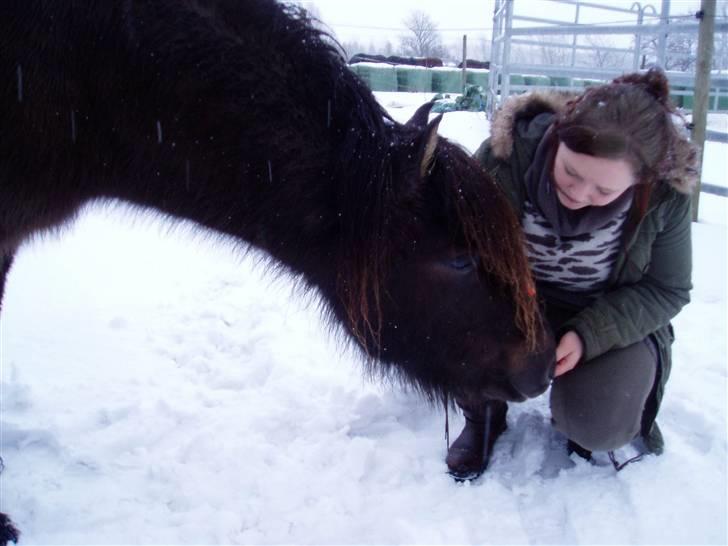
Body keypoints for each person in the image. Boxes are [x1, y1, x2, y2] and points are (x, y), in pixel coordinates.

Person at [446, 68, 699, 479]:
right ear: (557, 136)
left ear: (643, 180)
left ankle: (583, 415)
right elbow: (454, 249)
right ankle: (483, 416)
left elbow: (667, 289)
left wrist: (590, 335)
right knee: (455, 317)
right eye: (571, 173)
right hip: (514, 305)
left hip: (604, 313)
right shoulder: (503, 160)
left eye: (604, 191)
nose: (580, 196)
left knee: (599, 420)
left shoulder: (664, 198)